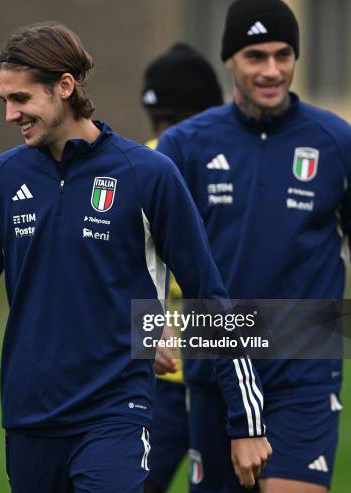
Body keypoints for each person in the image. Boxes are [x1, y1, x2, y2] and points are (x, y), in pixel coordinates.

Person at [0, 21, 271, 493]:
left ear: (64, 87)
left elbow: (210, 296)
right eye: (4, 100)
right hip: (29, 418)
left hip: (116, 414)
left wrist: (245, 420)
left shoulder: (148, 175)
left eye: (21, 99)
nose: (10, 114)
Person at [156, 1, 351, 492]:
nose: (273, 70)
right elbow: (140, 253)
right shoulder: (184, 146)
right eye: (256, 56)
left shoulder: (342, 145)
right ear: (230, 60)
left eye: (284, 54)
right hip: (215, 365)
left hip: (307, 368)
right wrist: (151, 328)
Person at [140, 43, 224, 493]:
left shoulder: (137, 163)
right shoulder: (218, 164)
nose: (164, 136)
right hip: (194, 374)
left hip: (164, 374)